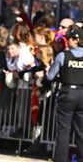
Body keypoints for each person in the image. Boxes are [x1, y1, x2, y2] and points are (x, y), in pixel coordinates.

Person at [43, 27, 83, 162]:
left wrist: (49, 70)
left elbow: (50, 77)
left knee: (63, 131)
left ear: (77, 40)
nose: (68, 41)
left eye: (70, 39)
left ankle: (60, 159)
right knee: (81, 131)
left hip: (67, 93)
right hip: (82, 94)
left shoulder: (63, 55)